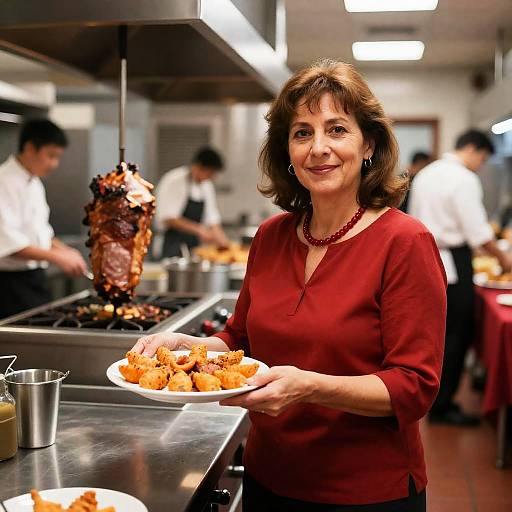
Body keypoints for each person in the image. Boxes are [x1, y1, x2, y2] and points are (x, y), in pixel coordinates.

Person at [133, 60, 446, 511]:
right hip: (270, 478)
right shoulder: (271, 236)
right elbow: (238, 338)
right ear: (287, 150)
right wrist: (187, 348)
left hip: (364, 491)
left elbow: (414, 387)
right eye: (302, 133)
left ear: (369, 144)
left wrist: (310, 387)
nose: (318, 148)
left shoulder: (405, 242)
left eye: (337, 129)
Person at [410, 129, 512, 426]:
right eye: (482, 157)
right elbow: (477, 232)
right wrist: (503, 258)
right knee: (458, 333)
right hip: (453, 258)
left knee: (439, 332)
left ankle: (434, 398)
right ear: (472, 149)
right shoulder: (463, 178)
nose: (480, 164)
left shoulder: (428, 172)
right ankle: (443, 406)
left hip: (427, 257)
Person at [0, 119, 88, 319]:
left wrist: (65, 250)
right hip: (8, 284)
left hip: (33, 280)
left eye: (58, 157)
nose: (54, 164)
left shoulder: (34, 183)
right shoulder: (3, 181)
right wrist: (57, 257)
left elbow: (40, 233)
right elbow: (9, 243)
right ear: (30, 148)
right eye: (50, 156)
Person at [154, 146, 230, 258]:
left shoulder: (206, 185)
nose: (211, 177)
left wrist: (221, 239)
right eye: (209, 173)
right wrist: (199, 230)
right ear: (198, 166)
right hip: (170, 245)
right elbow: (168, 218)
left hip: (193, 248)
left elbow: (212, 217)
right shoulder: (174, 180)